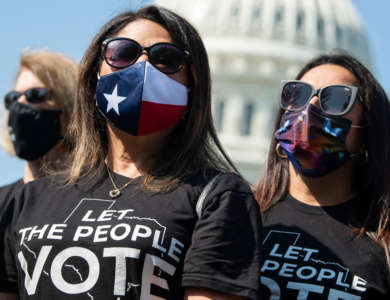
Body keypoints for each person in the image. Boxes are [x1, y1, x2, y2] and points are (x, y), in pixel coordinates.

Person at [0, 5, 262, 300]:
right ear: (94, 74)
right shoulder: (29, 199)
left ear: (193, 84)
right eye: (122, 54)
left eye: (166, 59)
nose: (143, 68)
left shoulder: (216, 197)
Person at [255, 53, 390, 299]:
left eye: (334, 99)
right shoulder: (238, 212)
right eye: (297, 94)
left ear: (367, 130)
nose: (309, 107)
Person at [0, 49, 78, 299]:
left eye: (35, 95)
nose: (20, 105)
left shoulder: (95, 199)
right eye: (13, 98)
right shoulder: (4, 205)